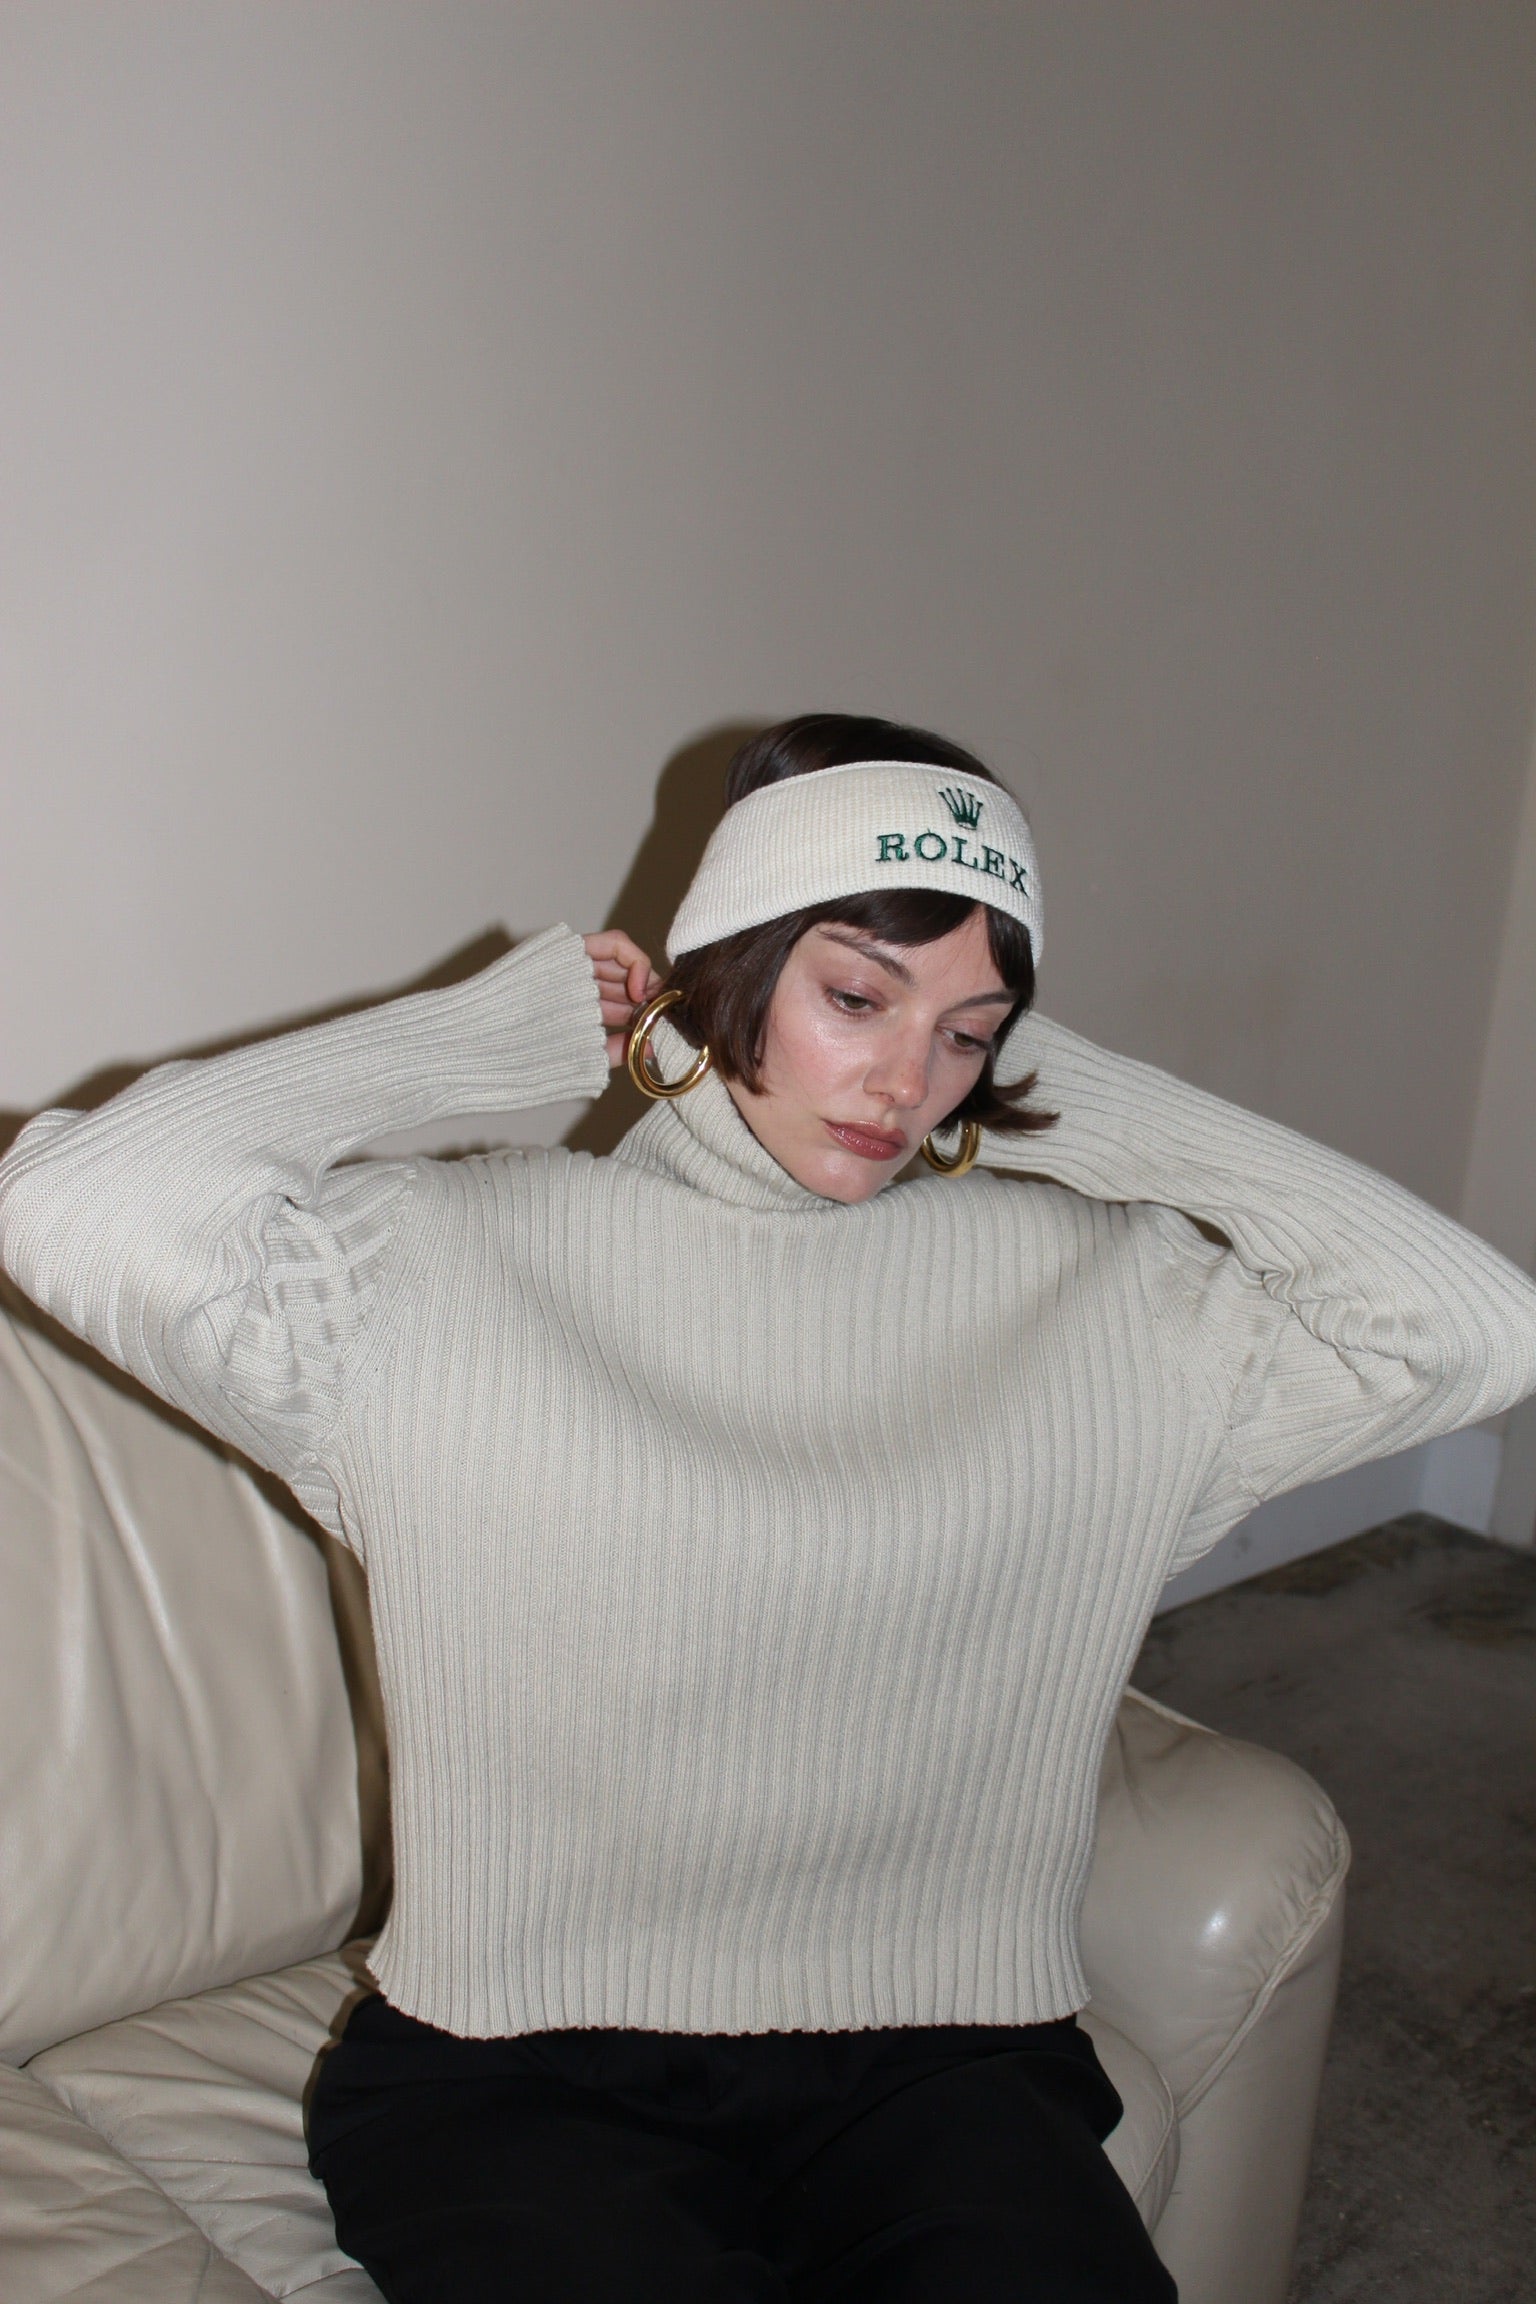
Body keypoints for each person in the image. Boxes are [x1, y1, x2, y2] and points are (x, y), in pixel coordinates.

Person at [3, 712, 1534, 2304]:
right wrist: (472, 1040)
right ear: (728, 968)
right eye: (857, 998)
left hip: (941, 2063)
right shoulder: (431, 1273)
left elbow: (1478, 1329)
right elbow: (66, 1204)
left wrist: (1080, 1099)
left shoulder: (1104, 1305)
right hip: (517, 2077)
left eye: (969, 1031)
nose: (906, 1080)